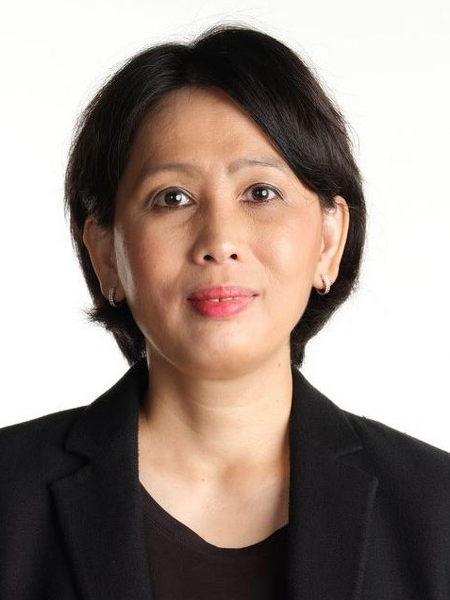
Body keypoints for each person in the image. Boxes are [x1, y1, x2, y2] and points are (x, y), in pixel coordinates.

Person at [0, 24, 449, 600]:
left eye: (260, 192)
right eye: (173, 198)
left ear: (329, 240)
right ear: (105, 252)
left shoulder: (436, 512)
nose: (219, 241)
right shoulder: (9, 497)